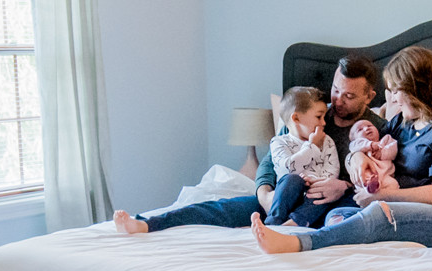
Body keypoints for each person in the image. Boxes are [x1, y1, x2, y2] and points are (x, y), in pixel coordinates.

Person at [250, 45, 432, 255]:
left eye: (395, 91)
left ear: (416, 90)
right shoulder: (403, 122)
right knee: (336, 216)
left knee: (377, 215)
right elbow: (366, 147)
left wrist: (383, 196)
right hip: (399, 206)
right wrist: (358, 157)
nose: (391, 98)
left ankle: (299, 243)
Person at [113, 54, 385, 234]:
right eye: (336, 89)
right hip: (282, 196)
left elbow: (383, 181)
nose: (337, 100)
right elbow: (272, 157)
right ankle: (147, 224)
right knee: (219, 209)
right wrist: (264, 192)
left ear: (369, 96)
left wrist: (345, 186)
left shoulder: (378, 129)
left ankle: (280, 232)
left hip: (325, 205)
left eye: (348, 96)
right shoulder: (309, 112)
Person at [263, 87, 347, 227]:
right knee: (292, 179)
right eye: (318, 117)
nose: (324, 123)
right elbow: (289, 168)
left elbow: (333, 169)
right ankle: (273, 223)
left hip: (313, 197)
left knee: (326, 193)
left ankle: (293, 224)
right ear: (296, 118)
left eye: (324, 117)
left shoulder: (327, 141)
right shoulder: (279, 142)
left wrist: (316, 182)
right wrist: (312, 146)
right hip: (289, 196)